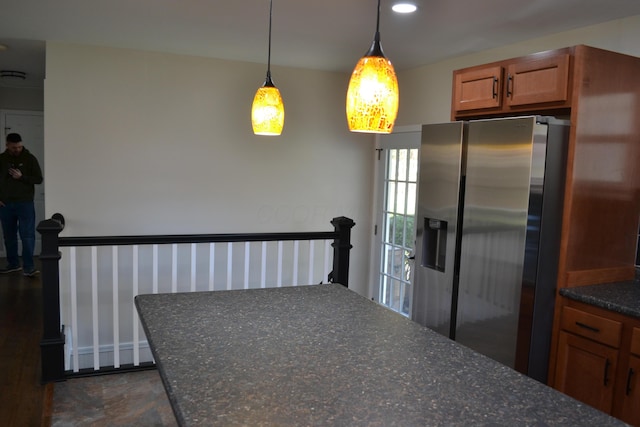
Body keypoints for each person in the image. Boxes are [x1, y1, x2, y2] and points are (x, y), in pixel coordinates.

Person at [0, 133, 43, 276]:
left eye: (19, 147)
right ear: (7, 145)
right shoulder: (1, 159)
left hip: (25, 203)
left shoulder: (30, 159)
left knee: (27, 236)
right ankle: (13, 264)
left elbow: (38, 179)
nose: (17, 149)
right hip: (5, 204)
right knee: (9, 236)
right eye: (14, 147)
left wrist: (21, 177)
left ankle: (29, 267)